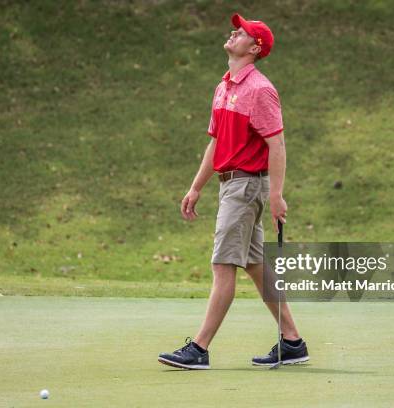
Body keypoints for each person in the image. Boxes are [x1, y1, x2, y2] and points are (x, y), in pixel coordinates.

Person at [158, 13, 309, 369]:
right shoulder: (224, 86)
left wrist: (276, 195)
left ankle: (199, 348)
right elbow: (216, 143)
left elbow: (278, 144)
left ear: (255, 48)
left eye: (241, 33)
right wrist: (196, 187)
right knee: (255, 265)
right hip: (231, 185)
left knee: (223, 264)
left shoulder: (260, 89)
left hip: (247, 187)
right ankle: (292, 342)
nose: (233, 33)